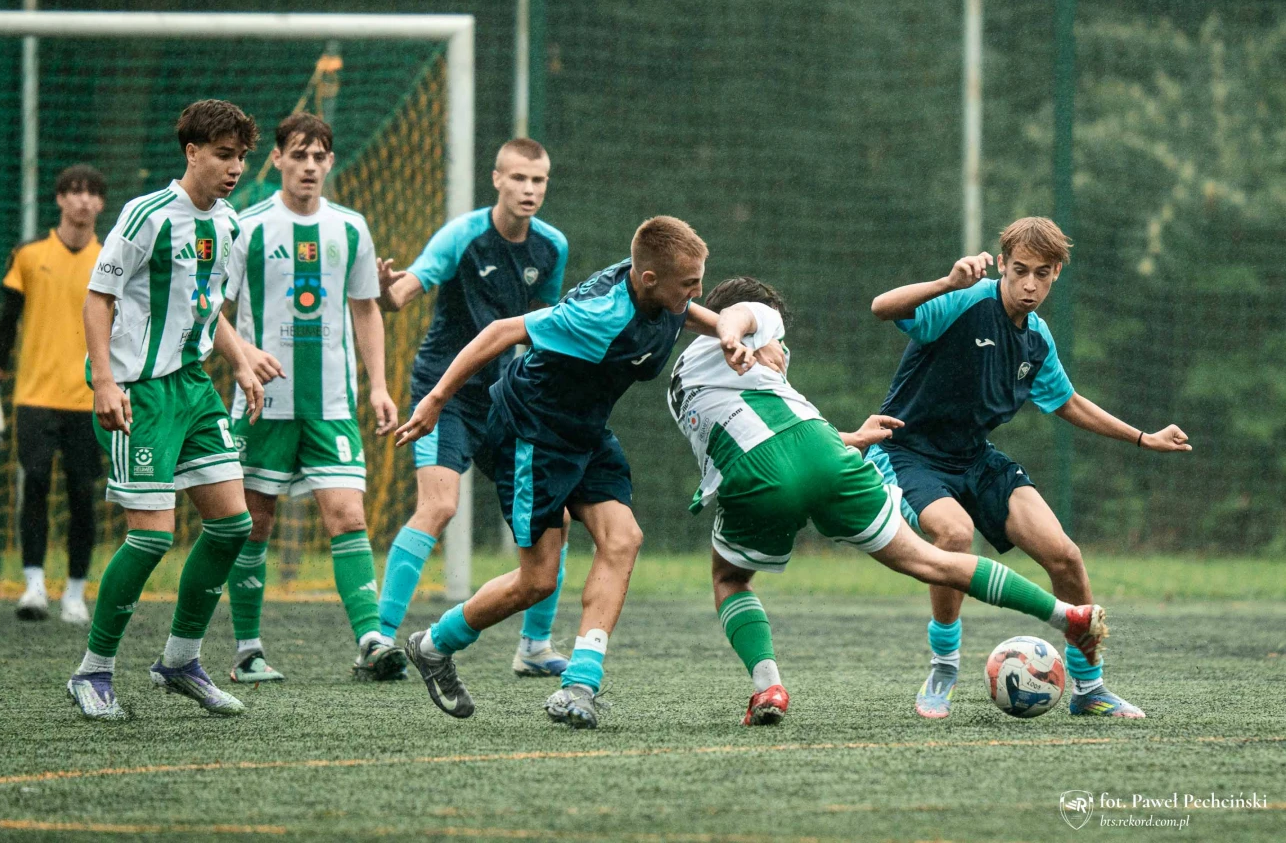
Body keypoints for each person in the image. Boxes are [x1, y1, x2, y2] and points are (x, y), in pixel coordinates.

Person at [668, 276, 1108, 726]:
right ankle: (1064, 615)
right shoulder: (751, 320)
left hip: (761, 473)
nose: (782, 350)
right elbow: (739, 317)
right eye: (778, 340)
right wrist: (734, 333)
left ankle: (769, 687)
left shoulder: (678, 381)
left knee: (730, 578)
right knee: (933, 560)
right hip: (823, 455)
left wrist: (854, 437)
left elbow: (759, 427)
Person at [395, 216, 732, 728]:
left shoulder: (659, 290)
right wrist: (436, 400)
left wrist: (730, 333)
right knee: (537, 581)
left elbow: (689, 314)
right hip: (533, 433)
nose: (697, 292)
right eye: (689, 283)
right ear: (649, 280)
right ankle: (433, 644)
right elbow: (501, 331)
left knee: (623, 538)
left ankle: (579, 684)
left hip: (586, 431)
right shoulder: (597, 316)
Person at [866, 217, 1191, 720]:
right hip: (908, 452)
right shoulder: (964, 301)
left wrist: (1143, 437)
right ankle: (944, 668)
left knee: (1065, 556)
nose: (1030, 285)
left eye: (1042, 273)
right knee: (954, 533)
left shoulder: (1036, 339)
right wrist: (947, 282)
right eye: (1020, 271)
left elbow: (1068, 402)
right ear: (1002, 264)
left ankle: (1089, 688)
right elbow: (881, 307)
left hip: (975, 457)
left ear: (1056, 272)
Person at [66, 99, 265, 720]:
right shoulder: (146, 214)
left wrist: (239, 361)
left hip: (192, 387)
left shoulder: (229, 223)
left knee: (233, 525)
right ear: (192, 152)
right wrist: (104, 381)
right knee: (151, 537)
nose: (235, 168)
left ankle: (180, 661)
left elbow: (207, 307)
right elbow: (97, 298)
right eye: (224, 155)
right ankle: (92, 671)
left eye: (241, 157)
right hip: (139, 390)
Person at [375, 138, 571, 678]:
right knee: (439, 506)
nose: (529, 189)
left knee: (556, 516)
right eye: (519, 178)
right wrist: (386, 289)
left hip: (506, 398)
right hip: (445, 393)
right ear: (497, 179)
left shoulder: (552, 246)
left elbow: (545, 325)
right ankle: (378, 638)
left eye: (538, 180)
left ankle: (534, 647)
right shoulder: (462, 236)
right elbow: (402, 294)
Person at [221, 111, 398, 684]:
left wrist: (379, 386)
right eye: (298, 155)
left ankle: (371, 639)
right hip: (262, 406)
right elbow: (212, 310)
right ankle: (247, 650)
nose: (309, 166)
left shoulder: (351, 228)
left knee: (348, 516)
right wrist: (244, 355)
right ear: (276, 159)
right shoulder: (246, 226)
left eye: (319, 157)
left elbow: (366, 309)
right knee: (254, 523)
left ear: (330, 163)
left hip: (331, 406)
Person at [0, 165, 108, 624]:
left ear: (101, 203)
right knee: (33, 485)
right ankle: (34, 585)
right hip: (34, 397)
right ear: (59, 198)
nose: (82, 199)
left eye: (92, 192)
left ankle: (75, 593)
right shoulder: (29, 255)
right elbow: (5, 324)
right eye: (74, 191)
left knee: (82, 494)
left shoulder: (110, 259)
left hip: (88, 397)